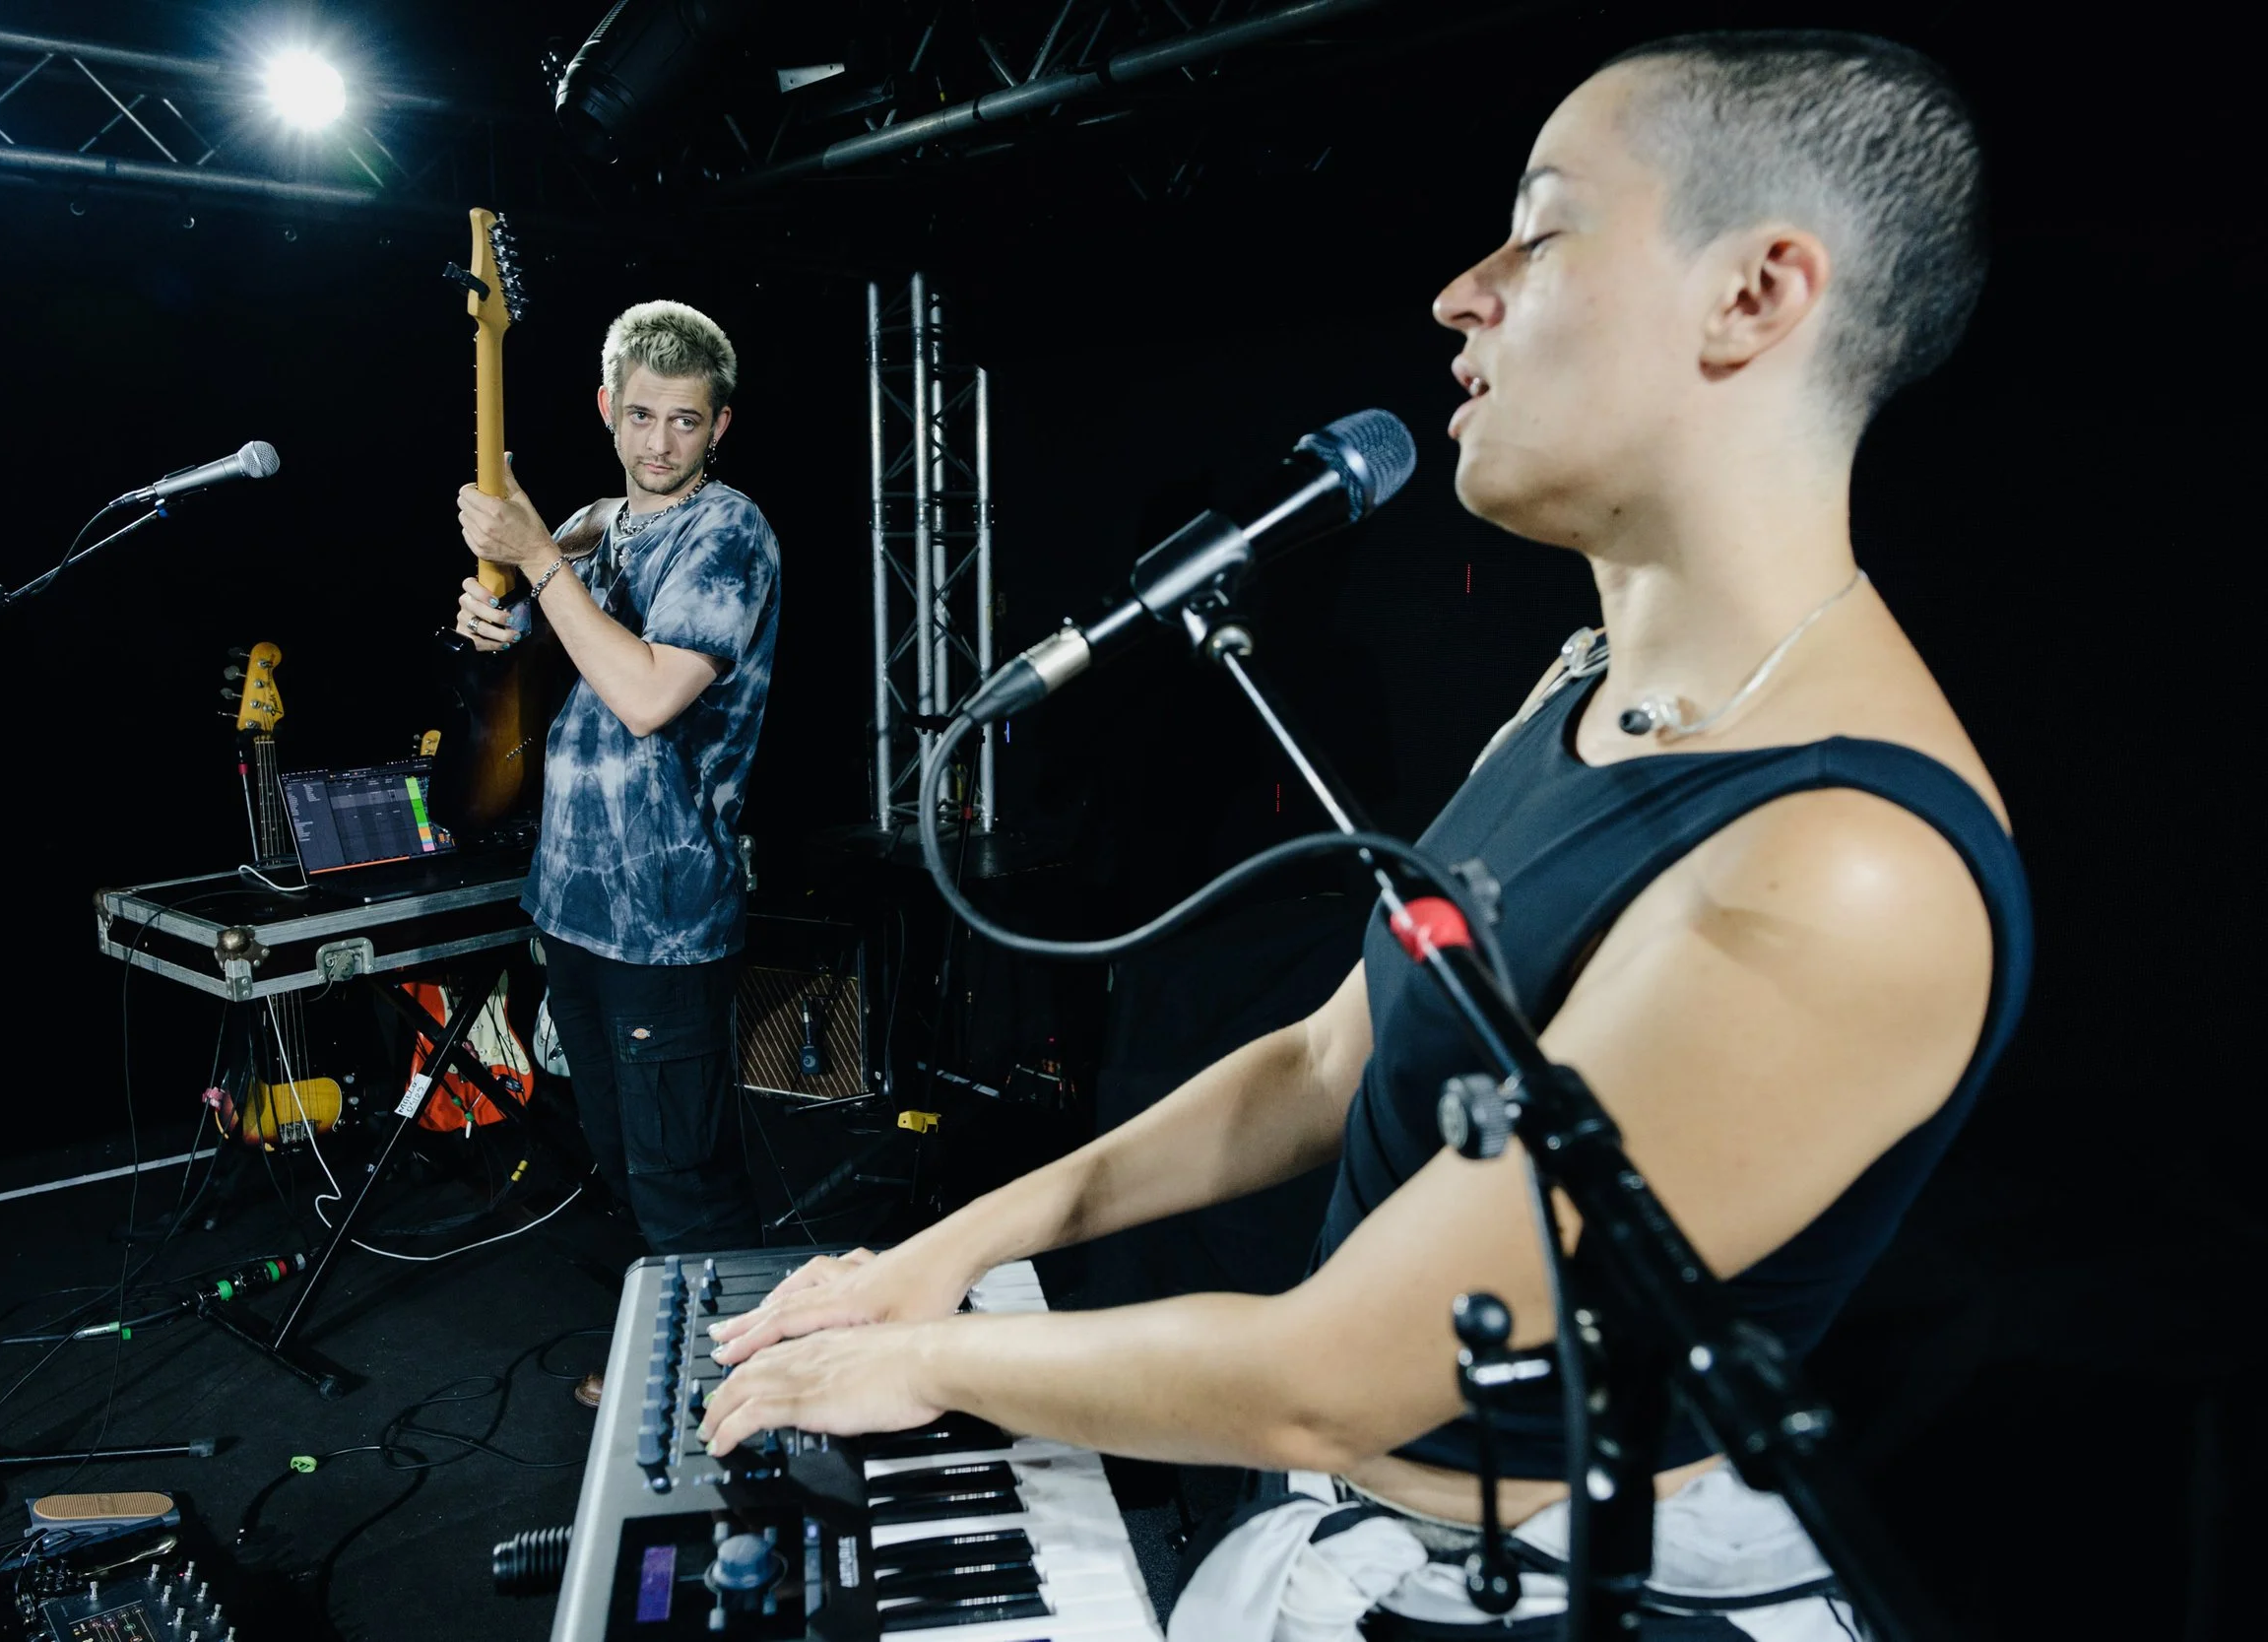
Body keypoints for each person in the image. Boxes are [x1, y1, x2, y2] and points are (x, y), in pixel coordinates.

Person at [693, 30, 2029, 1639]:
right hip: (1368, 1529)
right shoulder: (1585, 682)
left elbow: (1331, 1382)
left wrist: (916, 1357)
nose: (1464, 294)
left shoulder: (1848, 861)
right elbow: (1327, 1062)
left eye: (1538, 232)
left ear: (1755, 296)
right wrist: (962, 1244)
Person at [457, 300, 777, 1408]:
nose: (658, 443)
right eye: (639, 415)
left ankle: (732, 1396)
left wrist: (539, 560)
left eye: (684, 422)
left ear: (719, 426)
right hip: (574, 908)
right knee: (627, 1164)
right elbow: (541, 648)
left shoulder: (729, 534)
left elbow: (645, 694)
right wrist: (496, 616)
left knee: (684, 1175)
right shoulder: (595, 523)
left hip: (667, 919)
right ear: (606, 406)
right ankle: (679, 1348)